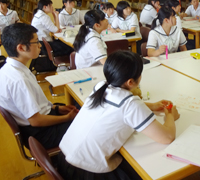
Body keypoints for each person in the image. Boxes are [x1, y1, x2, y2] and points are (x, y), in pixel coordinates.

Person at [58, 51, 180, 180]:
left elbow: (121, 108)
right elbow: (167, 137)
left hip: (64, 160)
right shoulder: (130, 103)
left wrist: (152, 106)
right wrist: (170, 115)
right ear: (131, 82)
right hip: (86, 173)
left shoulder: (101, 86)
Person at [0, 23, 78, 149]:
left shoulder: (10, 69)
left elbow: (36, 104)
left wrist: (56, 108)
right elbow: (35, 121)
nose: (39, 45)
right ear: (21, 48)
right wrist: (66, 118)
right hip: (41, 133)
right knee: (87, 124)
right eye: (36, 42)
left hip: (39, 120)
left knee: (75, 109)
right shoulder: (18, 80)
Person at [31, 0, 73, 72]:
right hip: (45, 45)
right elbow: (56, 30)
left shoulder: (38, 14)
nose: (52, 8)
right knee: (70, 47)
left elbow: (54, 28)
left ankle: (65, 66)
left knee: (63, 43)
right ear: (45, 7)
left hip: (41, 42)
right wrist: (56, 16)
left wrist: (54, 17)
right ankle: (67, 67)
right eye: (50, 6)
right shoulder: (43, 17)